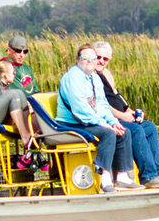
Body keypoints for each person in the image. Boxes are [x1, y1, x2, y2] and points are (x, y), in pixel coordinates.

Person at [92, 40, 159, 186]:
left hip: (120, 115)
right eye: (98, 57)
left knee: (150, 127)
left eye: (105, 58)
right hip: (107, 120)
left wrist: (130, 111)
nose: (101, 61)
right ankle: (148, 176)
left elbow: (116, 97)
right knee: (135, 130)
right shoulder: (91, 77)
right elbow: (100, 105)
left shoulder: (105, 74)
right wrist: (122, 116)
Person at [56, 45, 136, 193]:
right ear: (78, 59)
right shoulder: (72, 77)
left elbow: (102, 104)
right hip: (70, 122)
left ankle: (122, 177)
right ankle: (104, 180)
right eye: (85, 58)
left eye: (93, 58)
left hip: (88, 120)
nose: (90, 61)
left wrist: (113, 122)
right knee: (108, 133)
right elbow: (79, 108)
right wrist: (102, 123)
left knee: (123, 131)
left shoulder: (94, 78)